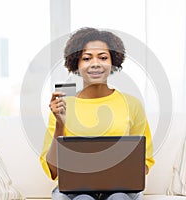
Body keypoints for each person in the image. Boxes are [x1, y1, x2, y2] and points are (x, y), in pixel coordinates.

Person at [40, 27, 155, 200]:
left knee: (118, 197)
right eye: (86, 58)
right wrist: (60, 124)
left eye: (103, 57)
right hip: (76, 191)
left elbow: (144, 163)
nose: (95, 63)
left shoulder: (132, 104)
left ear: (113, 62)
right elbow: (53, 171)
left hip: (121, 189)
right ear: (76, 64)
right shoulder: (63, 105)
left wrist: (125, 169)